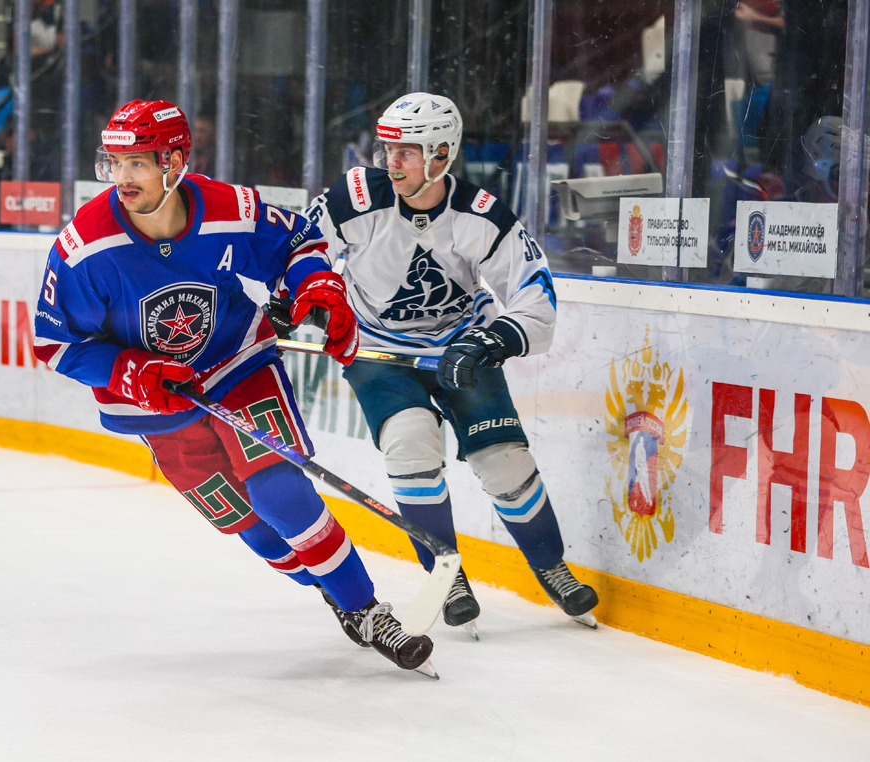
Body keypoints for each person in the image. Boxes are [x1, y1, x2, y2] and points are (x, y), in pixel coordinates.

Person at [32, 99, 436, 675]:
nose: (122, 178)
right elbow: (56, 344)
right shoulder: (85, 248)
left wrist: (317, 287)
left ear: (174, 162)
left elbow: (297, 244)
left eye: (137, 163)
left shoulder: (229, 209)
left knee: (279, 493)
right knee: (256, 530)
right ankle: (331, 587)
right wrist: (131, 373)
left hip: (235, 364)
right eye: (114, 163)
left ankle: (367, 611)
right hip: (158, 402)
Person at [296, 92, 599, 633]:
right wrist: (308, 297)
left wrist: (492, 341)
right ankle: (446, 571)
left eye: (406, 153)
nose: (392, 163)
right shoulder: (354, 197)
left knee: (503, 460)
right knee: (410, 442)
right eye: (388, 149)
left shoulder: (480, 213)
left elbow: (535, 293)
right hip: (378, 349)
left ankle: (550, 565)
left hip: (461, 345)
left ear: (441, 154)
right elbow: (298, 249)